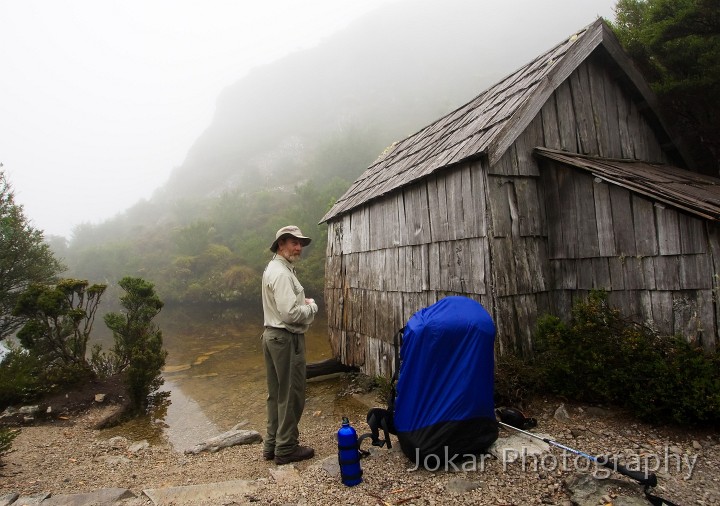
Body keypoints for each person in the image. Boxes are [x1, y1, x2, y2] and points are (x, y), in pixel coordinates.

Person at [261, 225, 318, 465]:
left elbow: (284, 303)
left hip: (272, 336)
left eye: (301, 243)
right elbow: (290, 315)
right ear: (281, 244)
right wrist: (312, 306)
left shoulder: (274, 268)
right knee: (292, 394)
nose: (299, 248)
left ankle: (272, 445)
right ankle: (286, 449)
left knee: (276, 394)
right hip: (285, 339)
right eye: (294, 243)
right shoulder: (283, 273)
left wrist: (298, 301)